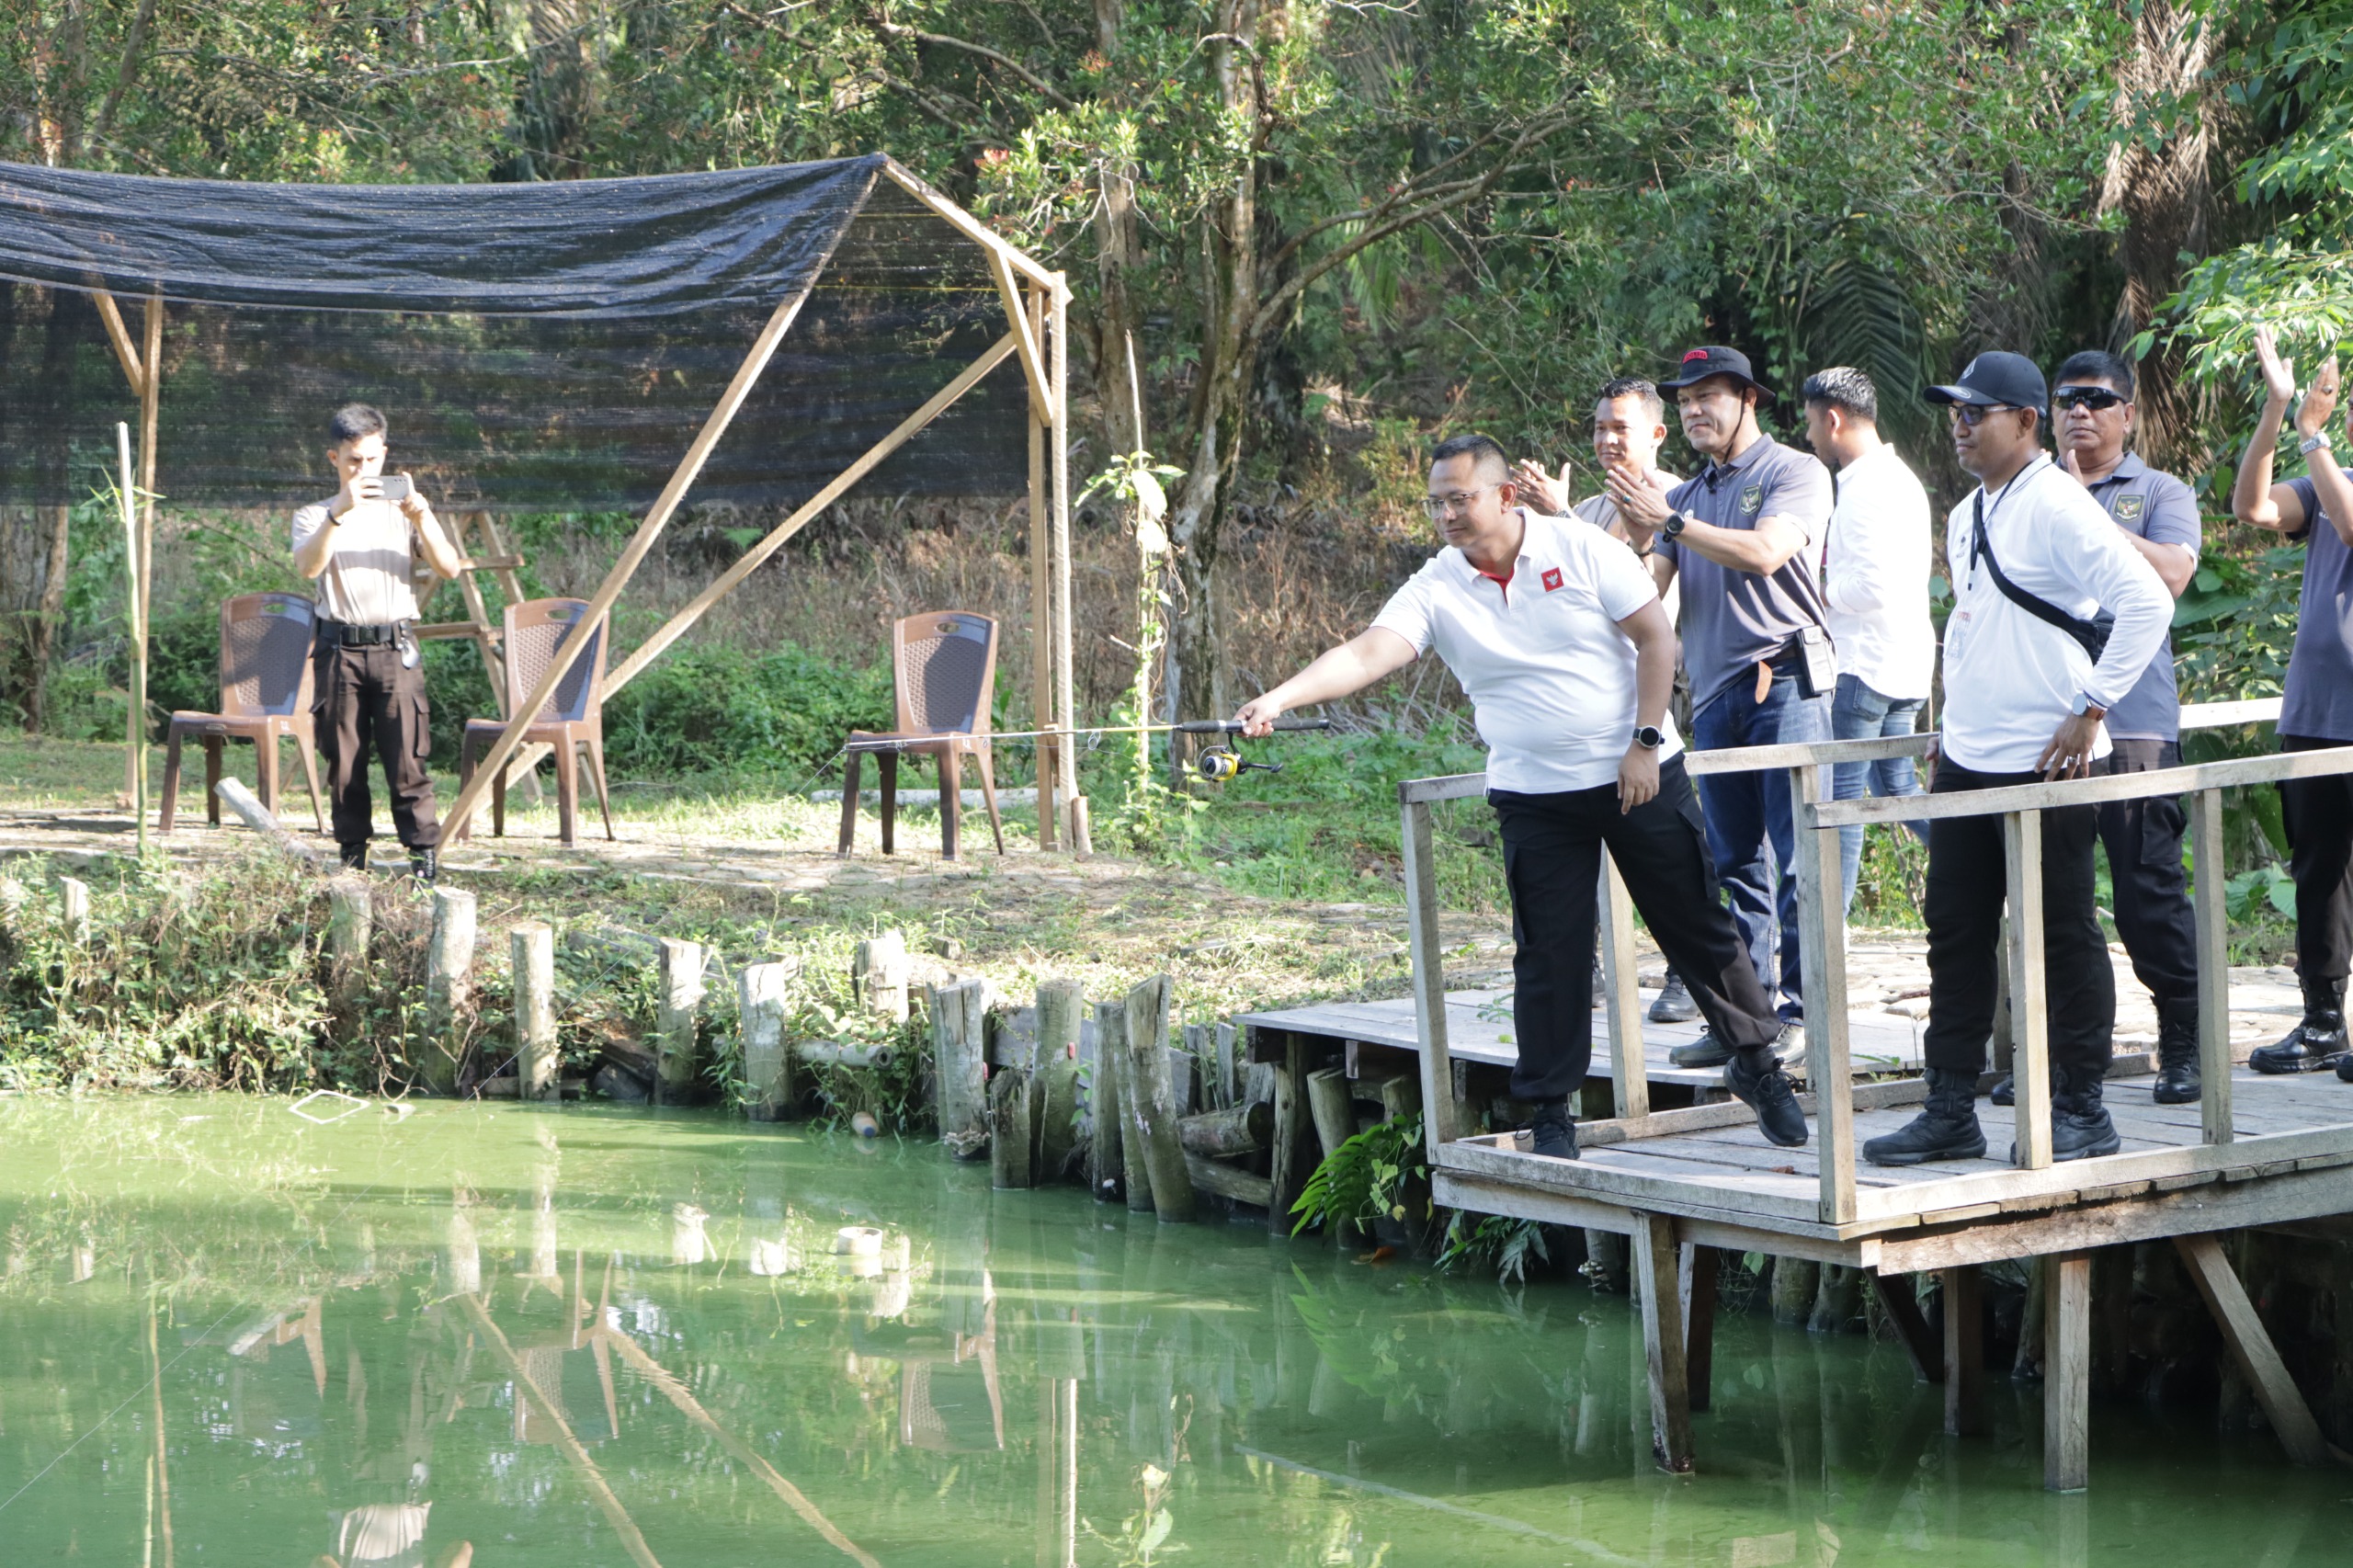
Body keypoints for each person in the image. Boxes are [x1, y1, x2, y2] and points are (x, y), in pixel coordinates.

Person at [1234, 434, 1805, 1158]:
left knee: (1696, 922)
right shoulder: (1438, 583)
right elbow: (1366, 651)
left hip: (1637, 773)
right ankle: (1550, 1113)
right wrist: (1278, 698)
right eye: (1436, 502)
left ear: (1505, 495)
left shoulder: (1581, 548)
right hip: (1534, 794)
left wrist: (1644, 744)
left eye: (1460, 499)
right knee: (1549, 955)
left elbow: (1658, 640)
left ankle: (1757, 1065)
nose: (1447, 515)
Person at [1862, 353, 2173, 1166]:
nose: (1959, 425)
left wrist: (2093, 706)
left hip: (2050, 763)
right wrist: (1949, 726)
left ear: (2025, 421)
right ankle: (1949, 1106)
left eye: (1977, 412)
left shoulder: (2058, 506)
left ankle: (2082, 1107)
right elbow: (1974, 625)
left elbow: (2148, 599)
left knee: (2064, 934)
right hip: (1969, 758)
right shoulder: (1967, 511)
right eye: (1953, 412)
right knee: (1955, 934)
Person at [1606, 347, 1835, 1065]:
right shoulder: (1693, 493)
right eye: (1684, 400)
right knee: (1733, 862)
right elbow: (1648, 589)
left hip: (1787, 681)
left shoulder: (1794, 471)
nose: (1695, 410)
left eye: (1709, 396)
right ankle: (1748, 1019)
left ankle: (1805, 1014)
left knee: (1799, 860)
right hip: (1716, 692)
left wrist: (1668, 521)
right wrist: (1633, 538)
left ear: (1749, 400)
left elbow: (1767, 553)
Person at [1996, 348, 2202, 1105]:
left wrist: (2084, 518)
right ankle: (2064, 1060)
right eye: (2066, 399)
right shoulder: (2021, 491)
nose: (2079, 412)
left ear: (2129, 413)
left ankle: (2185, 1038)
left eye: (2097, 399)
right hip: (2047, 734)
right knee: (2056, 909)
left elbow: (2172, 578)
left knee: (2148, 897)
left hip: (2135, 721)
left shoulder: (2157, 491)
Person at [1512, 377, 1699, 1025]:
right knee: (1577, 829)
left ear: (1655, 433)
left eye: (1620, 427)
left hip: (1663, 690)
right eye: (1598, 428)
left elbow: (1639, 594)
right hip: (1588, 697)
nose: (1607, 440)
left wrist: (1560, 517)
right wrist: (1555, 516)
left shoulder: (1678, 499)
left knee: (1673, 849)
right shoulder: (1591, 508)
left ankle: (1686, 974)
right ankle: (1587, 967)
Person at [2234, 328, 2353, 1078]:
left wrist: (2314, 439)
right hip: (2316, 713)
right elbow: (2251, 508)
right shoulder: (2327, 475)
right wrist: (2279, 414)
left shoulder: (2332, 475)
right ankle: (2321, 1021)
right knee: (2319, 871)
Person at [291, 403, 462, 881]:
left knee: (408, 761)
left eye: (370, 460)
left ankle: (423, 867)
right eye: (352, 461)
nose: (362, 470)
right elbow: (308, 567)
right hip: (338, 649)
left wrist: (424, 516)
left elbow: (449, 568)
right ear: (333, 458)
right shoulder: (314, 515)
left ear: (385, 455)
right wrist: (338, 514)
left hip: (395, 649)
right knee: (344, 764)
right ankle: (352, 868)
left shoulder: (404, 514)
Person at [1801, 366, 1936, 915]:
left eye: (1811, 424)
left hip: (1865, 667)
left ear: (1833, 420)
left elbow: (1873, 586)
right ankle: (1985, 864)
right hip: (1904, 664)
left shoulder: (1863, 487)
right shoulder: (1899, 477)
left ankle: (1828, 931)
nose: (1808, 437)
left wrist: (1821, 587)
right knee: (1898, 788)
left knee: (1842, 803)